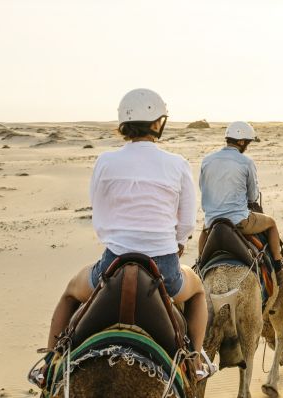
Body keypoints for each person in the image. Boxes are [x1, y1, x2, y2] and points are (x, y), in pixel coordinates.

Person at [38, 89, 208, 384]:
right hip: (164, 270)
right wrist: (176, 243)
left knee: (69, 293)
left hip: (113, 265)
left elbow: (100, 218)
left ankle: (48, 365)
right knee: (198, 292)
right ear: (158, 123)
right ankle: (195, 361)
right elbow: (186, 222)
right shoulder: (177, 163)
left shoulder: (106, 161)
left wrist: (118, 237)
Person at [199, 121, 283, 284]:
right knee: (271, 223)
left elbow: (203, 187)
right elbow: (253, 195)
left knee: (204, 232)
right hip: (239, 221)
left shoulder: (207, 160)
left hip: (212, 222)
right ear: (241, 142)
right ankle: (278, 268)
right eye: (247, 143)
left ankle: (200, 269)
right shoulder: (246, 162)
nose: (247, 146)